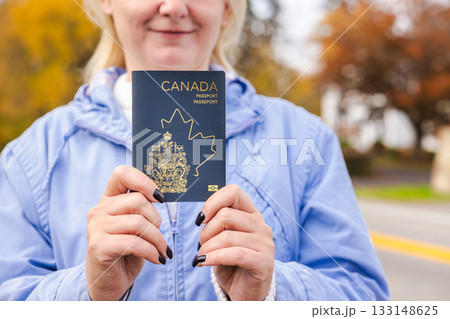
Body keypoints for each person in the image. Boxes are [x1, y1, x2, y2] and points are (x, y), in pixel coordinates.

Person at [0, 0, 389, 301]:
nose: (173, 7)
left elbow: (364, 299)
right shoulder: (33, 156)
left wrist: (273, 290)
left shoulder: (307, 139)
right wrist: (88, 290)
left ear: (226, 7)